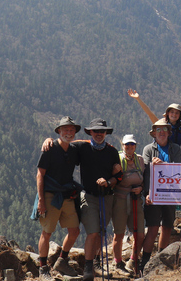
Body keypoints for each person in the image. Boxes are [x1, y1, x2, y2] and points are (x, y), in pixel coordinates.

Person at [35, 116, 84, 279]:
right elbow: (40, 175)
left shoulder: (73, 149)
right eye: (65, 130)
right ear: (59, 132)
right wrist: (41, 200)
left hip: (67, 195)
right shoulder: (50, 148)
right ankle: (43, 269)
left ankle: (62, 261)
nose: (69, 133)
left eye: (72, 130)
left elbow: (88, 143)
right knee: (47, 232)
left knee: (74, 230)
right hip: (50, 195)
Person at [75, 119, 123, 281]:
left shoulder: (112, 152)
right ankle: (88, 268)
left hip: (106, 197)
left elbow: (119, 176)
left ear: (106, 133)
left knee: (101, 232)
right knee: (93, 232)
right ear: (90, 132)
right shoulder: (82, 148)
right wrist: (49, 141)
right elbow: (64, 146)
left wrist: (108, 182)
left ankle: (95, 263)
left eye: (102, 131)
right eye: (96, 131)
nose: (99, 134)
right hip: (89, 196)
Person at [140, 118, 181, 269]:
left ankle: (160, 259)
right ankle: (144, 262)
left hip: (170, 194)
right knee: (153, 227)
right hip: (153, 195)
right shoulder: (148, 149)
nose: (162, 132)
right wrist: (146, 193)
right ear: (154, 133)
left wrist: (163, 165)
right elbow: (145, 172)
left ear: (169, 133)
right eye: (158, 130)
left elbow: (178, 169)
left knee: (167, 227)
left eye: (164, 129)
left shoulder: (176, 148)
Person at [111, 134, 145, 276]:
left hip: (136, 199)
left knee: (140, 234)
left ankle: (133, 260)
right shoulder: (117, 160)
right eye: (127, 144)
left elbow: (145, 179)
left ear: (135, 146)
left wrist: (141, 188)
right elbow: (112, 179)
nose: (129, 147)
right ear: (122, 146)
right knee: (119, 233)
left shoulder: (140, 160)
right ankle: (118, 262)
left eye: (132, 144)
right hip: (120, 199)